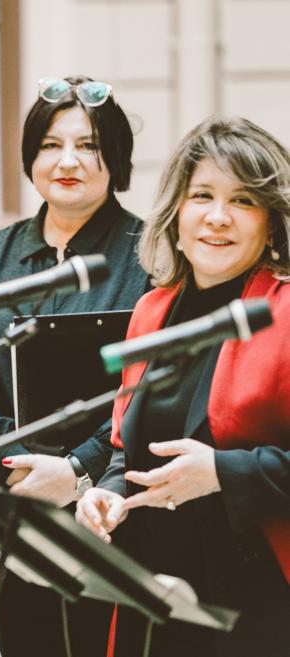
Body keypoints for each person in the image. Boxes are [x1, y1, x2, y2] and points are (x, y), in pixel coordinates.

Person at [0, 76, 149, 657]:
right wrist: (14, 460)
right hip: (9, 504)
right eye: (50, 144)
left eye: (89, 145)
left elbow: (151, 386)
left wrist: (76, 469)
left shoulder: (151, 254)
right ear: (30, 156)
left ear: (116, 157)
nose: (67, 160)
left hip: (109, 509)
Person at [76, 116, 290, 656]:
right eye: (202, 196)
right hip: (155, 595)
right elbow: (129, 447)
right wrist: (110, 492)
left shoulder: (285, 312)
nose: (218, 218)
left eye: (243, 201)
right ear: (176, 211)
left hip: (262, 606)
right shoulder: (152, 311)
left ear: (270, 222)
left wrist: (222, 472)